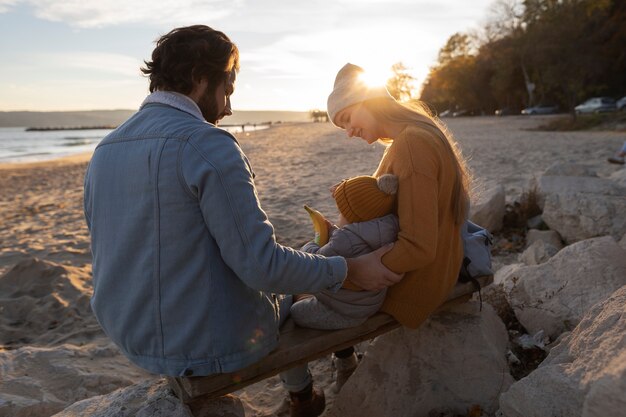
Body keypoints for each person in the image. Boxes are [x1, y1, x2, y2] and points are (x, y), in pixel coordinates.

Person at [83, 27, 402, 417]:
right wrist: (352, 269)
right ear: (202, 78)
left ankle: (304, 396)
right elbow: (262, 267)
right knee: (307, 275)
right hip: (205, 343)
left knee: (299, 264)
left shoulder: (105, 148)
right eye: (228, 90)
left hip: (129, 333)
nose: (229, 108)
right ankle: (308, 393)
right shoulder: (207, 143)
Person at [326, 62, 471, 332]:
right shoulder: (413, 137)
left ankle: (337, 363)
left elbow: (418, 247)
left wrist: (353, 273)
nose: (348, 132)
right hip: (431, 274)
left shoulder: (413, 144)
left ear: (367, 100)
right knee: (311, 269)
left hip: (414, 288)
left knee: (299, 295)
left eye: (347, 119)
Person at [291, 173, 399, 392]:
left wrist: (312, 243)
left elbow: (317, 259)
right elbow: (357, 240)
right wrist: (336, 233)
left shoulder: (345, 239)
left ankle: (343, 364)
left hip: (347, 312)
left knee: (295, 311)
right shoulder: (389, 227)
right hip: (370, 301)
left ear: (350, 214)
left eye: (341, 210)